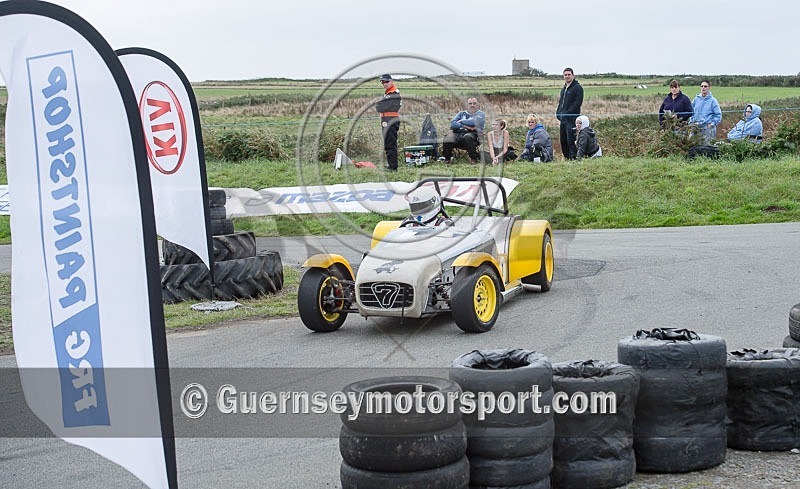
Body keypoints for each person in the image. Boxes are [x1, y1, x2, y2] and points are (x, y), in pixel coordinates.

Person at [441, 97, 485, 163]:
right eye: (470, 103)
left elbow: (474, 122)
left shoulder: (480, 114)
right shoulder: (461, 113)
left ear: (477, 105)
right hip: (459, 134)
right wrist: (465, 126)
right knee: (448, 137)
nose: (472, 105)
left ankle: (473, 158)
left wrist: (461, 121)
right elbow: (453, 124)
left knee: (467, 136)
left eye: (474, 103)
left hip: (473, 135)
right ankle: (447, 158)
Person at [555, 67, 583, 160]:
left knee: (571, 141)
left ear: (573, 75)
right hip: (563, 119)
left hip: (572, 119)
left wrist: (567, 113)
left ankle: (574, 159)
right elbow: (560, 102)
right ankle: (567, 159)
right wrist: (558, 113)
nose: (567, 76)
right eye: (565, 75)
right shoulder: (564, 89)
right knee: (563, 141)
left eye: (569, 74)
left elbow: (577, 103)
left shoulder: (577, 88)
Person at [375, 74, 402, 171]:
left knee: (390, 144)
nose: (384, 84)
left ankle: (393, 167)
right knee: (388, 143)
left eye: (386, 81)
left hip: (390, 120)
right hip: (387, 120)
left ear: (391, 81)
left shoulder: (393, 93)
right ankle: (391, 164)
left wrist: (380, 105)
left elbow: (379, 107)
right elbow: (380, 106)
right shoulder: (389, 93)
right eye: (383, 82)